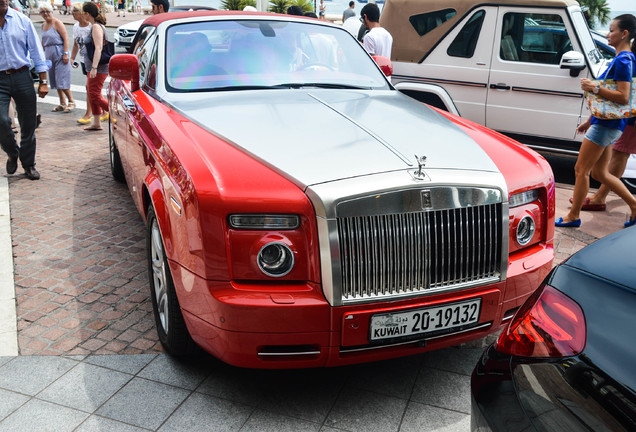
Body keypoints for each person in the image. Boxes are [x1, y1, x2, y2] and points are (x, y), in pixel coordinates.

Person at [557, 14, 636, 228]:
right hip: (607, 123)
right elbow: (610, 98)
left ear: (624, 33)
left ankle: (573, 216)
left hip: (606, 125)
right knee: (601, 172)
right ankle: (634, 205)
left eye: (611, 30)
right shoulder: (626, 58)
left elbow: (623, 96)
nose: (607, 34)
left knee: (581, 170)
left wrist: (594, 87)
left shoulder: (623, 60)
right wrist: (589, 120)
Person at [0, 0, 48, 180]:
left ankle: (28, 165)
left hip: (22, 76)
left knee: (28, 124)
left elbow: (36, 51)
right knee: (1, 121)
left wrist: (43, 80)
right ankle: (12, 152)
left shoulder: (22, 21)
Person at [571, 119, 636, 211]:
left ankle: (575, 214)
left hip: (612, 122)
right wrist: (589, 120)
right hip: (611, 121)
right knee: (598, 173)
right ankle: (598, 198)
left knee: (584, 170)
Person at [39, 3, 75, 113]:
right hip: (49, 53)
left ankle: (71, 101)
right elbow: (44, 40)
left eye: (47, 11)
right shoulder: (43, 25)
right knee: (54, 79)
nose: (45, 14)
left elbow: (66, 38)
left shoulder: (57, 23)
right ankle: (62, 102)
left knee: (62, 78)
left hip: (59, 52)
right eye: (43, 12)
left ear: (52, 11)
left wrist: (65, 53)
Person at [81, 1, 109, 131]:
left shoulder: (96, 27)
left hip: (98, 67)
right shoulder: (95, 26)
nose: (82, 15)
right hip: (92, 67)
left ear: (88, 14)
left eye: (83, 13)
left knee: (94, 94)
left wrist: (94, 67)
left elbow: (98, 48)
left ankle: (118, 113)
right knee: (92, 93)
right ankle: (97, 122)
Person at [70, 3, 92, 124]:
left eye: (75, 10)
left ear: (82, 12)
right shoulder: (75, 27)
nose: (72, 13)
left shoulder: (91, 27)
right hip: (84, 61)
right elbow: (75, 44)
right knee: (93, 88)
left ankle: (88, 114)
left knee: (89, 87)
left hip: (93, 62)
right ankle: (104, 112)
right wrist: (72, 58)